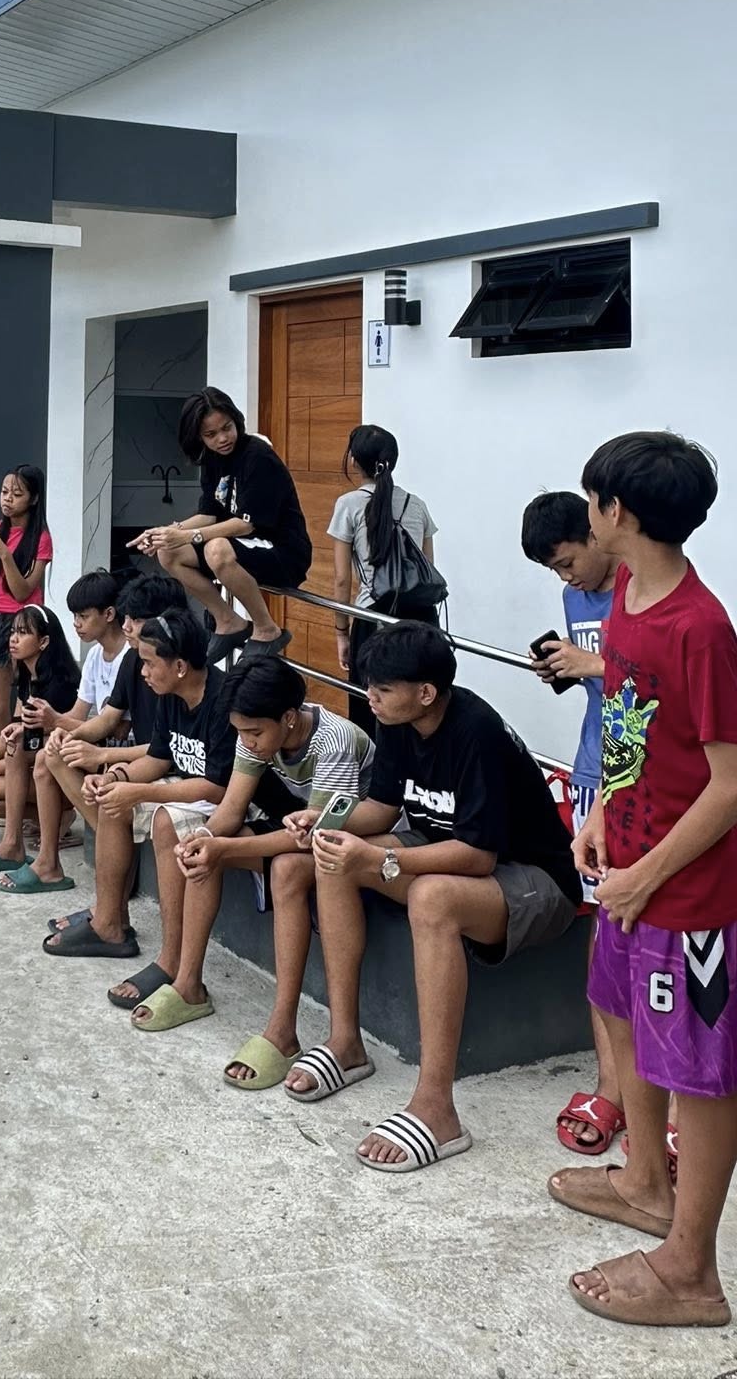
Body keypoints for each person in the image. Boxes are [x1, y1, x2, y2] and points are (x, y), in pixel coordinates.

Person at [552, 432, 737, 1331]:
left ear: (617, 513)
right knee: (620, 1016)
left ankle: (692, 1270)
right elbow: (628, 723)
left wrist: (648, 875)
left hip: (689, 896)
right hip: (624, 863)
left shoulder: (700, 629)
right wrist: (598, 816)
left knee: (702, 1076)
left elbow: (732, 784)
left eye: (593, 499)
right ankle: (644, 1184)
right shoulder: (624, 589)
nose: (588, 511)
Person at [307, 621, 578, 1169]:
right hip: (448, 858)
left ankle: (437, 1109)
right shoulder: (397, 720)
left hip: (533, 880)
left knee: (431, 898)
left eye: (382, 689)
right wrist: (324, 821)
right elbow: (381, 810)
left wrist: (382, 859)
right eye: (369, 687)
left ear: (425, 693)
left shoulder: (474, 730)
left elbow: (477, 856)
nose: (370, 699)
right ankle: (346, 1043)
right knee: (333, 857)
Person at [135, 657, 370, 1073]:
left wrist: (221, 848)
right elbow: (231, 809)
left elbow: (320, 832)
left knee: (276, 866)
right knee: (205, 849)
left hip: (353, 837)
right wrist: (206, 839)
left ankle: (282, 1029)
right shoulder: (256, 732)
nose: (248, 741)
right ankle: (188, 982)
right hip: (296, 824)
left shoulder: (335, 741)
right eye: (241, 731)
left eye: (256, 732)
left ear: (289, 718)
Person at [42, 609, 233, 971]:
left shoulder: (222, 700)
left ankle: (172, 961)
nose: (142, 672)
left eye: (148, 663)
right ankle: (109, 924)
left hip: (226, 800)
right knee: (114, 803)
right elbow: (159, 759)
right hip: (188, 786)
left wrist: (140, 793)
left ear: (179, 666)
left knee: (164, 819)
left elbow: (218, 787)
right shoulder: (170, 693)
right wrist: (116, 779)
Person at [521, 490, 621, 1157]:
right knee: (604, 930)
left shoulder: (649, 586)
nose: (568, 578)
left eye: (567, 562)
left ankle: (664, 1092)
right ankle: (612, 1085)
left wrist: (597, 664)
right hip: (593, 775)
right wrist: (565, 668)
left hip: (649, 784)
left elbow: (670, 678)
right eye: (554, 571)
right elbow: (597, 687)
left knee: (651, 938)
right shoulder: (575, 598)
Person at [37, 572, 188, 923]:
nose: (129, 627)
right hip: (147, 760)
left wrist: (104, 757)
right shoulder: (136, 661)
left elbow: (166, 752)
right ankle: (104, 903)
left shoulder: (180, 670)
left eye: (135, 620)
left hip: (168, 769)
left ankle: (109, 909)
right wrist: (69, 735)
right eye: (128, 619)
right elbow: (107, 719)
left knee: (112, 796)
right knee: (54, 754)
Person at [129, 387, 310, 660]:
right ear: (198, 437)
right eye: (211, 435)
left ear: (236, 421)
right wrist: (166, 533)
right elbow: (210, 514)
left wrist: (190, 536)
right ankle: (228, 621)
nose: (223, 439)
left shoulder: (258, 456)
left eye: (227, 428)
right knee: (169, 551)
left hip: (282, 551)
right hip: (240, 546)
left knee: (216, 549)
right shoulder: (212, 460)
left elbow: (245, 524)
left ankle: (267, 629)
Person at [0, 570, 129, 892]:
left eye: (83, 616)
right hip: (97, 742)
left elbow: (118, 727)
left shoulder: (132, 657)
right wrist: (55, 727)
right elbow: (78, 714)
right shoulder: (97, 655)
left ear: (109, 614)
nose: (77, 624)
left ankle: (50, 859)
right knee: (33, 750)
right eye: (74, 617)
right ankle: (23, 849)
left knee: (45, 758)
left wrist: (56, 724)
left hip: (123, 750)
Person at [328, 424, 438, 732]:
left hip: (371, 617)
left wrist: (341, 634)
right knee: (415, 705)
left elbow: (341, 579)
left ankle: (375, 777)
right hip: (420, 620)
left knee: (371, 707)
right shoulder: (417, 505)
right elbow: (427, 567)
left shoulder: (349, 504)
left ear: (353, 460)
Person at [0, 605, 82, 879]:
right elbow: (20, 732)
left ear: (44, 642)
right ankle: (11, 843)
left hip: (63, 774)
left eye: (23, 633)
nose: (13, 638)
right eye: (13, 631)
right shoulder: (28, 675)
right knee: (7, 752)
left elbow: (56, 739)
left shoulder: (61, 684)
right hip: (33, 764)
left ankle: (61, 815)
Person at [0, 464, 52, 744]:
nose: (7, 499)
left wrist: (5, 555)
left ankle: (14, 767)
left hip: (26, 621)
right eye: (4, 492)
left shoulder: (41, 538)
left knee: (26, 700)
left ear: (34, 499)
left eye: (17, 494)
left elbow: (22, 592)